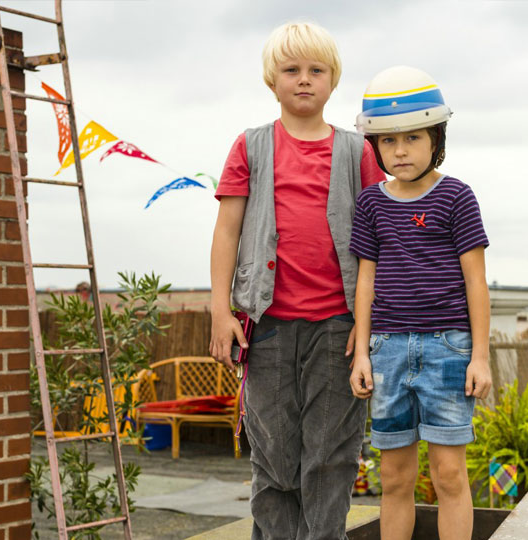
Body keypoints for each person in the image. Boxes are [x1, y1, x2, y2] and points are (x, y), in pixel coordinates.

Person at [207, 21, 385, 540]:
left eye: (316, 70)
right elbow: (227, 232)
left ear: (333, 81)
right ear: (272, 80)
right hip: (266, 328)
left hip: (338, 328)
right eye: (292, 70)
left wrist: (367, 326)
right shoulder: (251, 146)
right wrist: (221, 311)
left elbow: (379, 245)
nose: (304, 80)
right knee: (275, 457)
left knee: (329, 456)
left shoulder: (358, 153)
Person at [348, 66, 493, 540]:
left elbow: (476, 284)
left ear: (437, 138)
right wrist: (363, 354)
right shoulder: (371, 204)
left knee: (449, 475)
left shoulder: (457, 197)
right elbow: (365, 282)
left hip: (447, 352)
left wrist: (480, 357)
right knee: (393, 478)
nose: (400, 150)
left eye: (412, 137)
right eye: (388, 141)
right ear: (376, 147)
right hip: (387, 351)